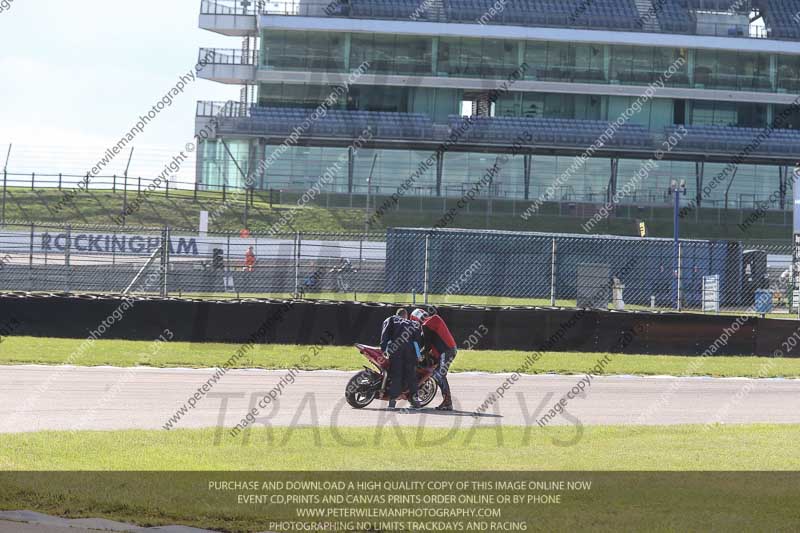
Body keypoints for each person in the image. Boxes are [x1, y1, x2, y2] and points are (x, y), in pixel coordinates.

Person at [411, 308, 457, 411]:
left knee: (439, 374)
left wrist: (418, 355)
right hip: (444, 351)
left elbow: (426, 346)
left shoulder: (427, 324)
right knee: (431, 370)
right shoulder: (430, 322)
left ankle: (448, 402)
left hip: (446, 351)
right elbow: (422, 343)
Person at [380, 308, 422, 410]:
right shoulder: (414, 323)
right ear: (406, 316)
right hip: (410, 350)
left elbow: (384, 335)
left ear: (397, 314)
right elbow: (417, 342)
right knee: (411, 375)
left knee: (396, 374)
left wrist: (384, 350)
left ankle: (392, 402)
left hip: (396, 349)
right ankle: (414, 400)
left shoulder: (391, 319)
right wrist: (419, 356)